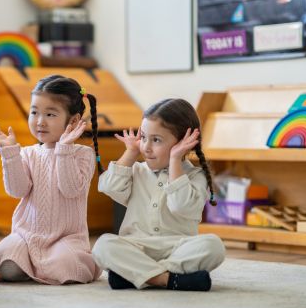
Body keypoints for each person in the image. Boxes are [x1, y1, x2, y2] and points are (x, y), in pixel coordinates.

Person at [92, 98, 225, 292]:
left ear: (183, 144)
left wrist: (175, 161)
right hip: (136, 247)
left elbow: (181, 206)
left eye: (156, 140)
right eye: (143, 137)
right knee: (102, 245)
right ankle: (168, 279)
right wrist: (130, 152)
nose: (145, 147)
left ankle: (136, 275)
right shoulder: (136, 170)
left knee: (214, 246)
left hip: (177, 248)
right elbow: (109, 187)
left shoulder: (197, 177)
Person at [0, 75, 102, 285]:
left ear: (73, 121)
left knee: (67, 266)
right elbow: (17, 190)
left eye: (50, 114)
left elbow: (70, 189)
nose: (40, 121)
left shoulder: (82, 154)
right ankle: (34, 266)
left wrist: (64, 149)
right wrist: (10, 153)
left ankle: (41, 267)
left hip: (65, 238)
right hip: (26, 236)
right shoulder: (28, 153)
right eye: (34, 112)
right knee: (5, 263)